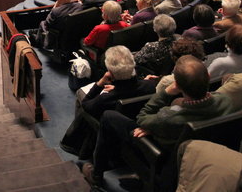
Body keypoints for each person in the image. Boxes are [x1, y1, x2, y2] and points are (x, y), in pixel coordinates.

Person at [82, 55, 234, 188]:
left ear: (178, 86)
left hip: (162, 153)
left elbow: (143, 117)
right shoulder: (226, 100)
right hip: (204, 152)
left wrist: (165, 95)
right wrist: (155, 124)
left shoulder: (169, 117)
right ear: (208, 77)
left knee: (109, 116)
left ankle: (96, 176)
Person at [60, 46, 156, 158]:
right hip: (133, 122)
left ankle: (78, 140)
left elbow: (86, 104)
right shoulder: (150, 85)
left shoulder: (105, 98)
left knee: (80, 94)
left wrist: (100, 83)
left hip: (108, 123)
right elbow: (133, 86)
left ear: (111, 73)